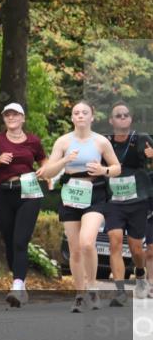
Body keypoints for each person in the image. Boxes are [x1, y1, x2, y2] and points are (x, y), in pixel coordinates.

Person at [37, 101, 121, 312]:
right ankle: (80, 294)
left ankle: (92, 287)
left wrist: (104, 171)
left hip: (95, 194)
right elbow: (47, 172)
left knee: (86, 243)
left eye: (85, 112)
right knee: (74, 250)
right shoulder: (63, 142)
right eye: (76, 113)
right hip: (71, 194)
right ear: (72, 118)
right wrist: (65, 161)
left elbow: (117, 167)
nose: (81, 115)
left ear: (92, 117)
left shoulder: (101, 142)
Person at [0, 102, 48, 307]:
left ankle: (16, 286)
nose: (11, 118)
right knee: (9, 242)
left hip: (29, 191)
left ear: (23, 118)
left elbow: (44, 161)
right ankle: (21, 284)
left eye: (15, 114)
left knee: (20, 240)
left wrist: (45, 171)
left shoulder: (33, 141)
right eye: (7, 115)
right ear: (4, 119)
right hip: (5, 193)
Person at [103, 102, 153, 302]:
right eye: (118, 115)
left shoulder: (141, 139)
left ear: (130, 119)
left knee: (136, 248)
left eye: (125, 115)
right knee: (114, 242)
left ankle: (140, 273)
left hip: (138, 201)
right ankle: (121, 291)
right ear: (111, 120)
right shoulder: (105, 142)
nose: (122, 118)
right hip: (114, 202)